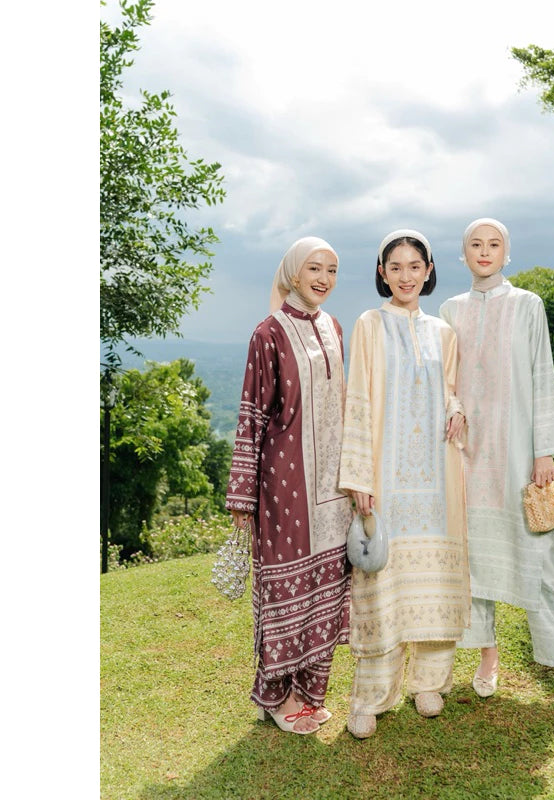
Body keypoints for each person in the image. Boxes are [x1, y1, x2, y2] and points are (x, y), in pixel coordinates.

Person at [439, 218, 554, 724]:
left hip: (517, 457)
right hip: (465, 454)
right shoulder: (448, 311)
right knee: (472, 563)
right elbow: (443, 378)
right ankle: (488, 657)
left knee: (544, 561)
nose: (484, 252)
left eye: (494, 245)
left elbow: (541, 374)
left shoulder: (528, 305)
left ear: (506, 254)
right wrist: (450, 406)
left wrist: (545, 450)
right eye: (475, 245)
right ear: (462, 255)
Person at [338, 229, 471, 739]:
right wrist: (359, 476)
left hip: (438, 478)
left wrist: (457, 412)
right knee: (382, 581)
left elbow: (451, 390)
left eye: (415, 266)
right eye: (396, 267)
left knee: (435, 582)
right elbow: (359, 399)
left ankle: (429, 683)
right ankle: (371, 697)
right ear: (381, 273)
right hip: (387, 480)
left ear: (429, 270)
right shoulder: (370, 325)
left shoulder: (443, 333)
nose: (406, 275)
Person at [225, 237, 353, 735]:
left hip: (333, 487)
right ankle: (275, 698)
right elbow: (253, 413)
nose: (323, 278)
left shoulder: (334, 327)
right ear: (294, 273)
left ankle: (308, 690)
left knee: (325, 588)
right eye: (314, 268)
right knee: (285, 591)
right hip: (285, 485)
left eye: (333, 270)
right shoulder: (269, 333)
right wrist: (243, 494)